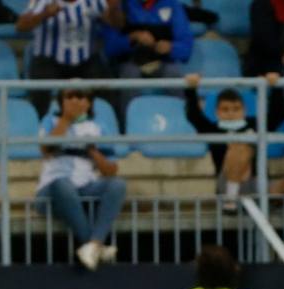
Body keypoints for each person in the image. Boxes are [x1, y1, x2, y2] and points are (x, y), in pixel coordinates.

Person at [183, 73, 284, 239]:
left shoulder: (254, 124)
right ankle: (230, 201)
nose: (231, 114)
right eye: (225, 110)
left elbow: (277, 115)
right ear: (217, 112)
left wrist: (275, 87)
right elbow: (193, 116)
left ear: (244, 110)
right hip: (226, 185)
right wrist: (191, 90)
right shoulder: (212, 129)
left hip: (258, 186)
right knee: (242, 145)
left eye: (236, 109)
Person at [36, 87, 128, 271]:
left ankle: (92, 245)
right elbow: (45, 149)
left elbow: (111, 170)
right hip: (53, 189)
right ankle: (96, 246)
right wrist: (66, 119)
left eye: (82, 97)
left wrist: (93, 151)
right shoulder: (50, 120)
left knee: (118, 185)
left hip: (87, 186)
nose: (76, 101)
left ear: (89, 102)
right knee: (63, 185)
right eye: (70, 96)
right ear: (61, 101)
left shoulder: (98, 126)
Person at [18, 0, 124, 118]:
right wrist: (44, 14)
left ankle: (110, 128)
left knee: (107, 92)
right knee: (40, 97)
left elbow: (117, 24)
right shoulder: (41, 2)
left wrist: (114, 9)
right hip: (48, 60)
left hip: (85, 59)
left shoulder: (94, 2)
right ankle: (40, 128)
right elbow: (21, 25)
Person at [101, 0, 194, 114]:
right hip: (130, 62)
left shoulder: (172, 5)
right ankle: (128, 126)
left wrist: (170, 47)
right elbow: (109, 48)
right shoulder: (120, 6)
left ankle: (183, 122)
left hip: (163, 61)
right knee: (129, 75)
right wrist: (132, 38)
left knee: (173, 74)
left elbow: (186, 47)